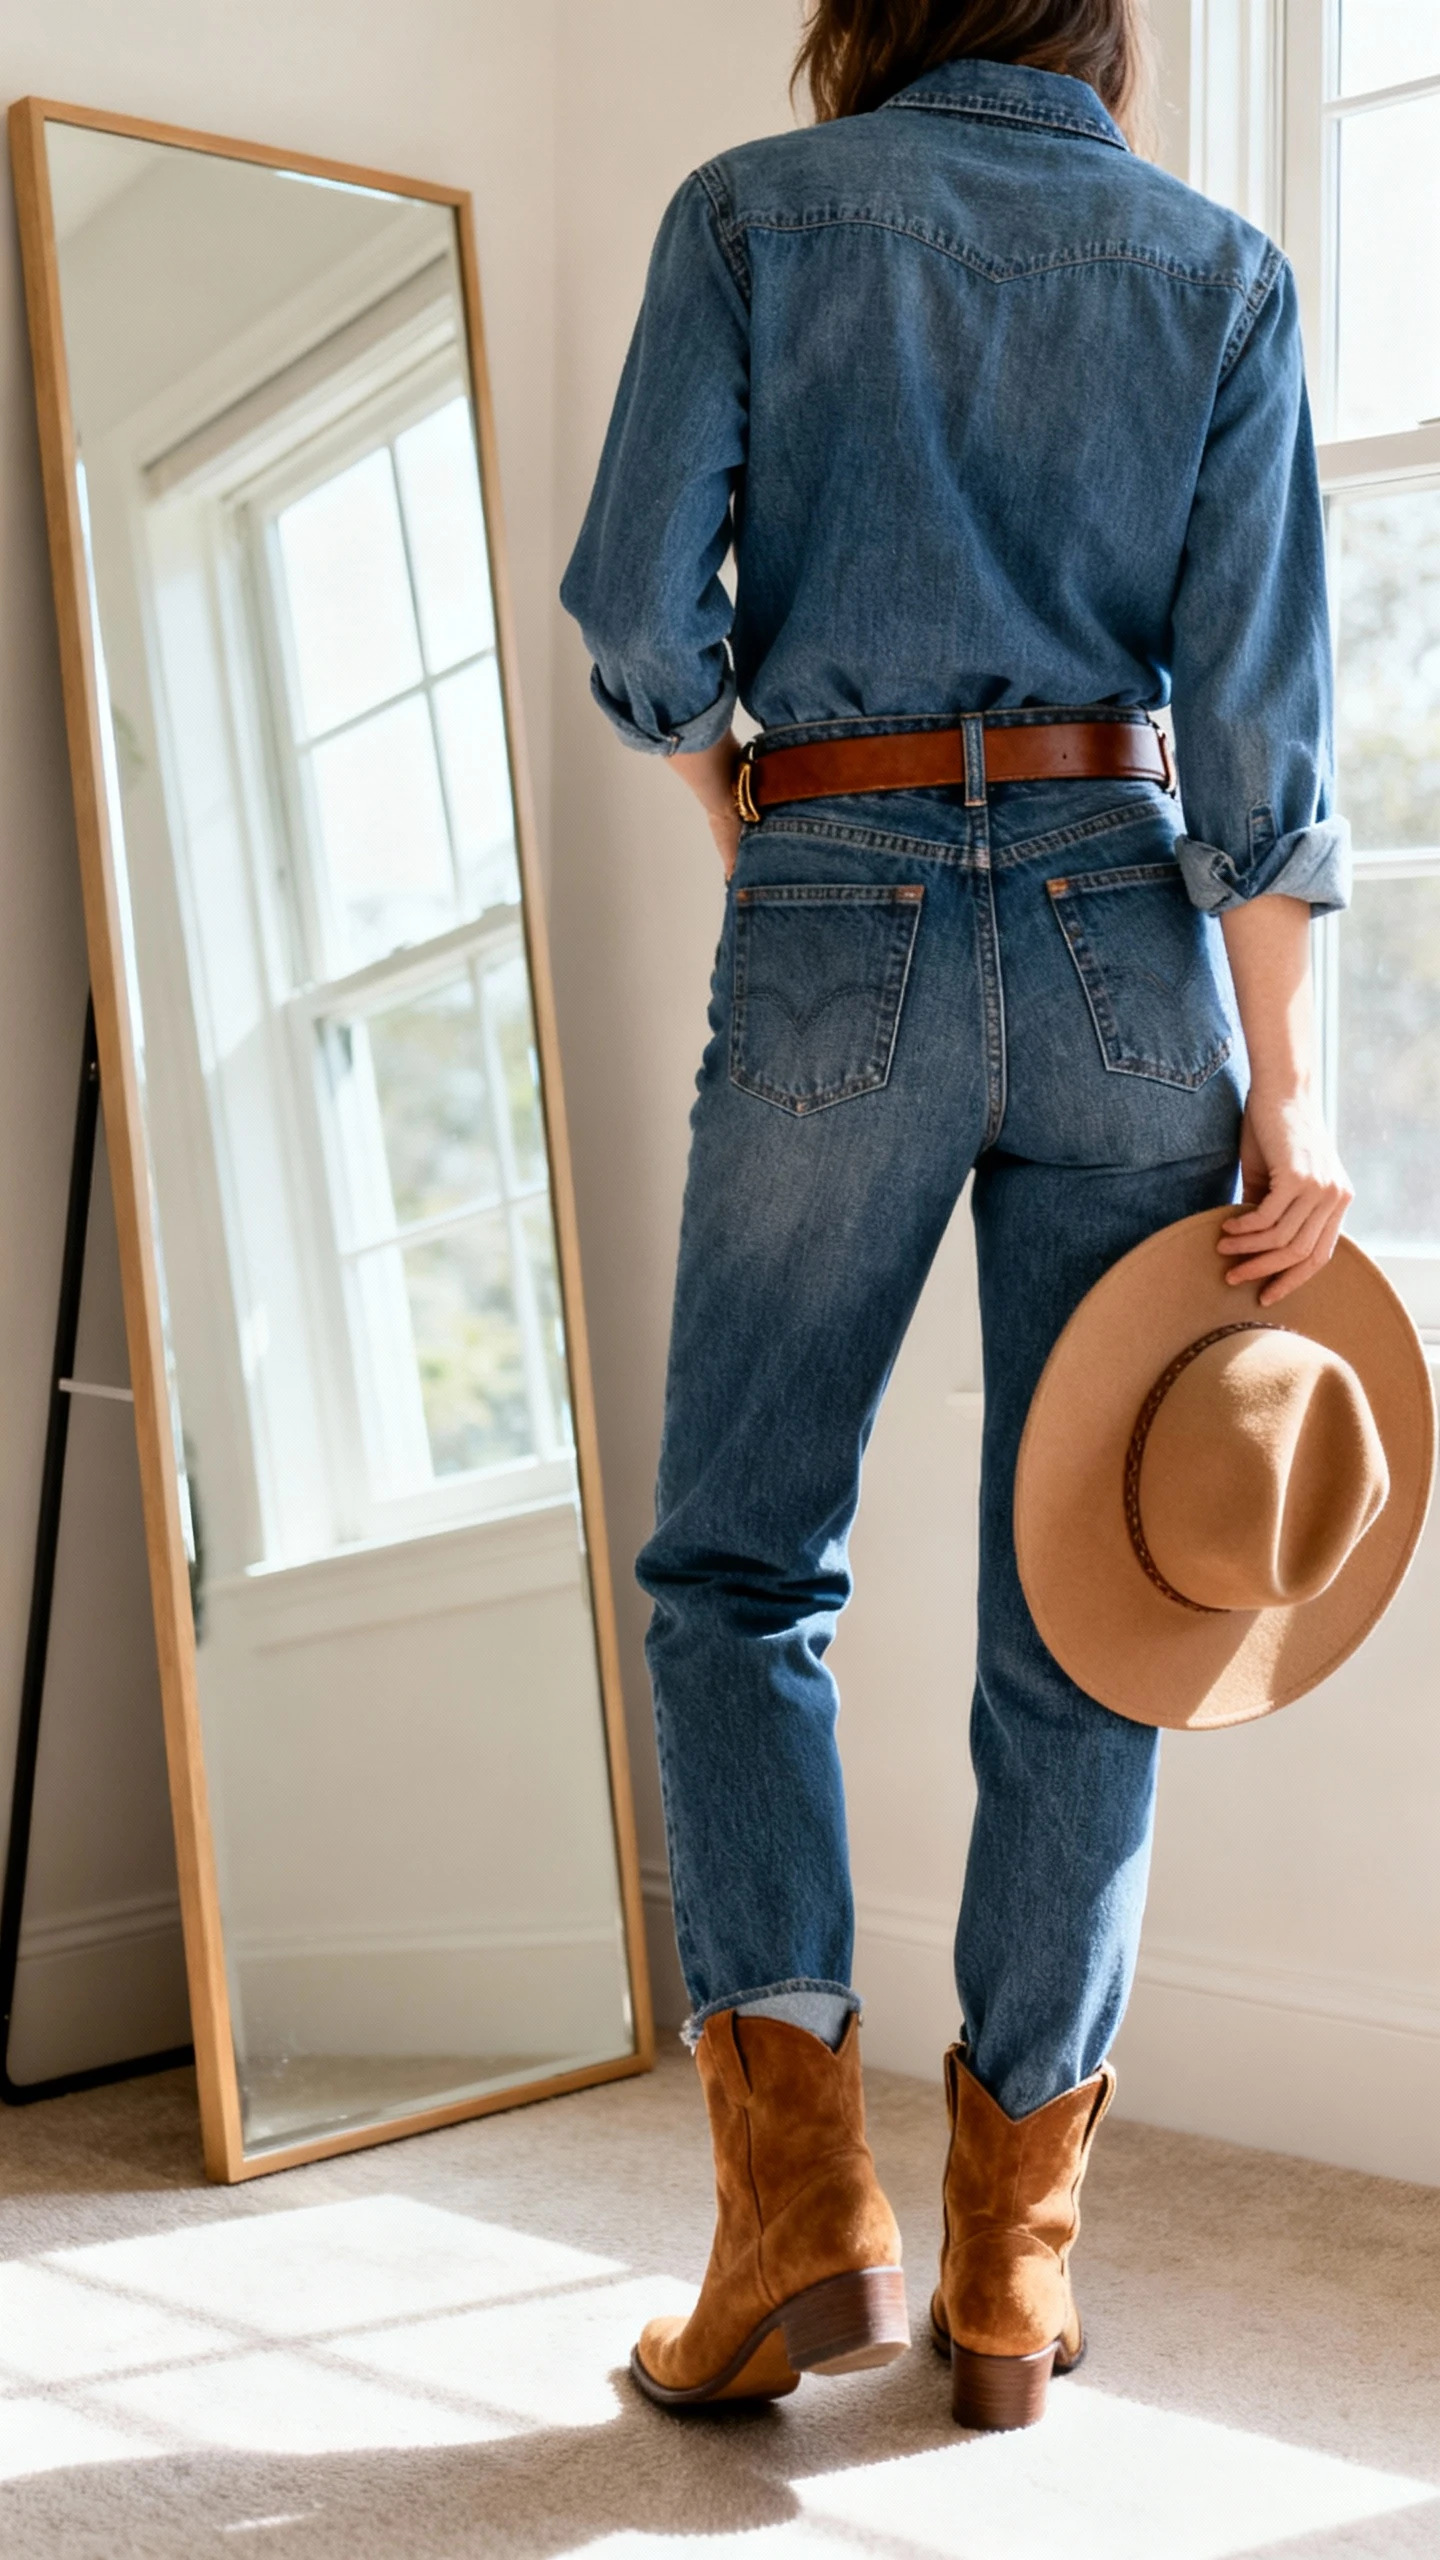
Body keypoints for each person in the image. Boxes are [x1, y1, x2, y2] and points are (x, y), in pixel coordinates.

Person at [561, 0, 1352, 2429]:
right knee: (1096, 1601)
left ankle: (799, 2208)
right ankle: (1014, 2261)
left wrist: (751, 810)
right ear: (1099, 28)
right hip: (1130, 936)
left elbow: (640, 618)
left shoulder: (749, 218)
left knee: (737, 1566)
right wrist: (1289, 1081)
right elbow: (1259, 724)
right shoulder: (1218, 274)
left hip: (842, 891)